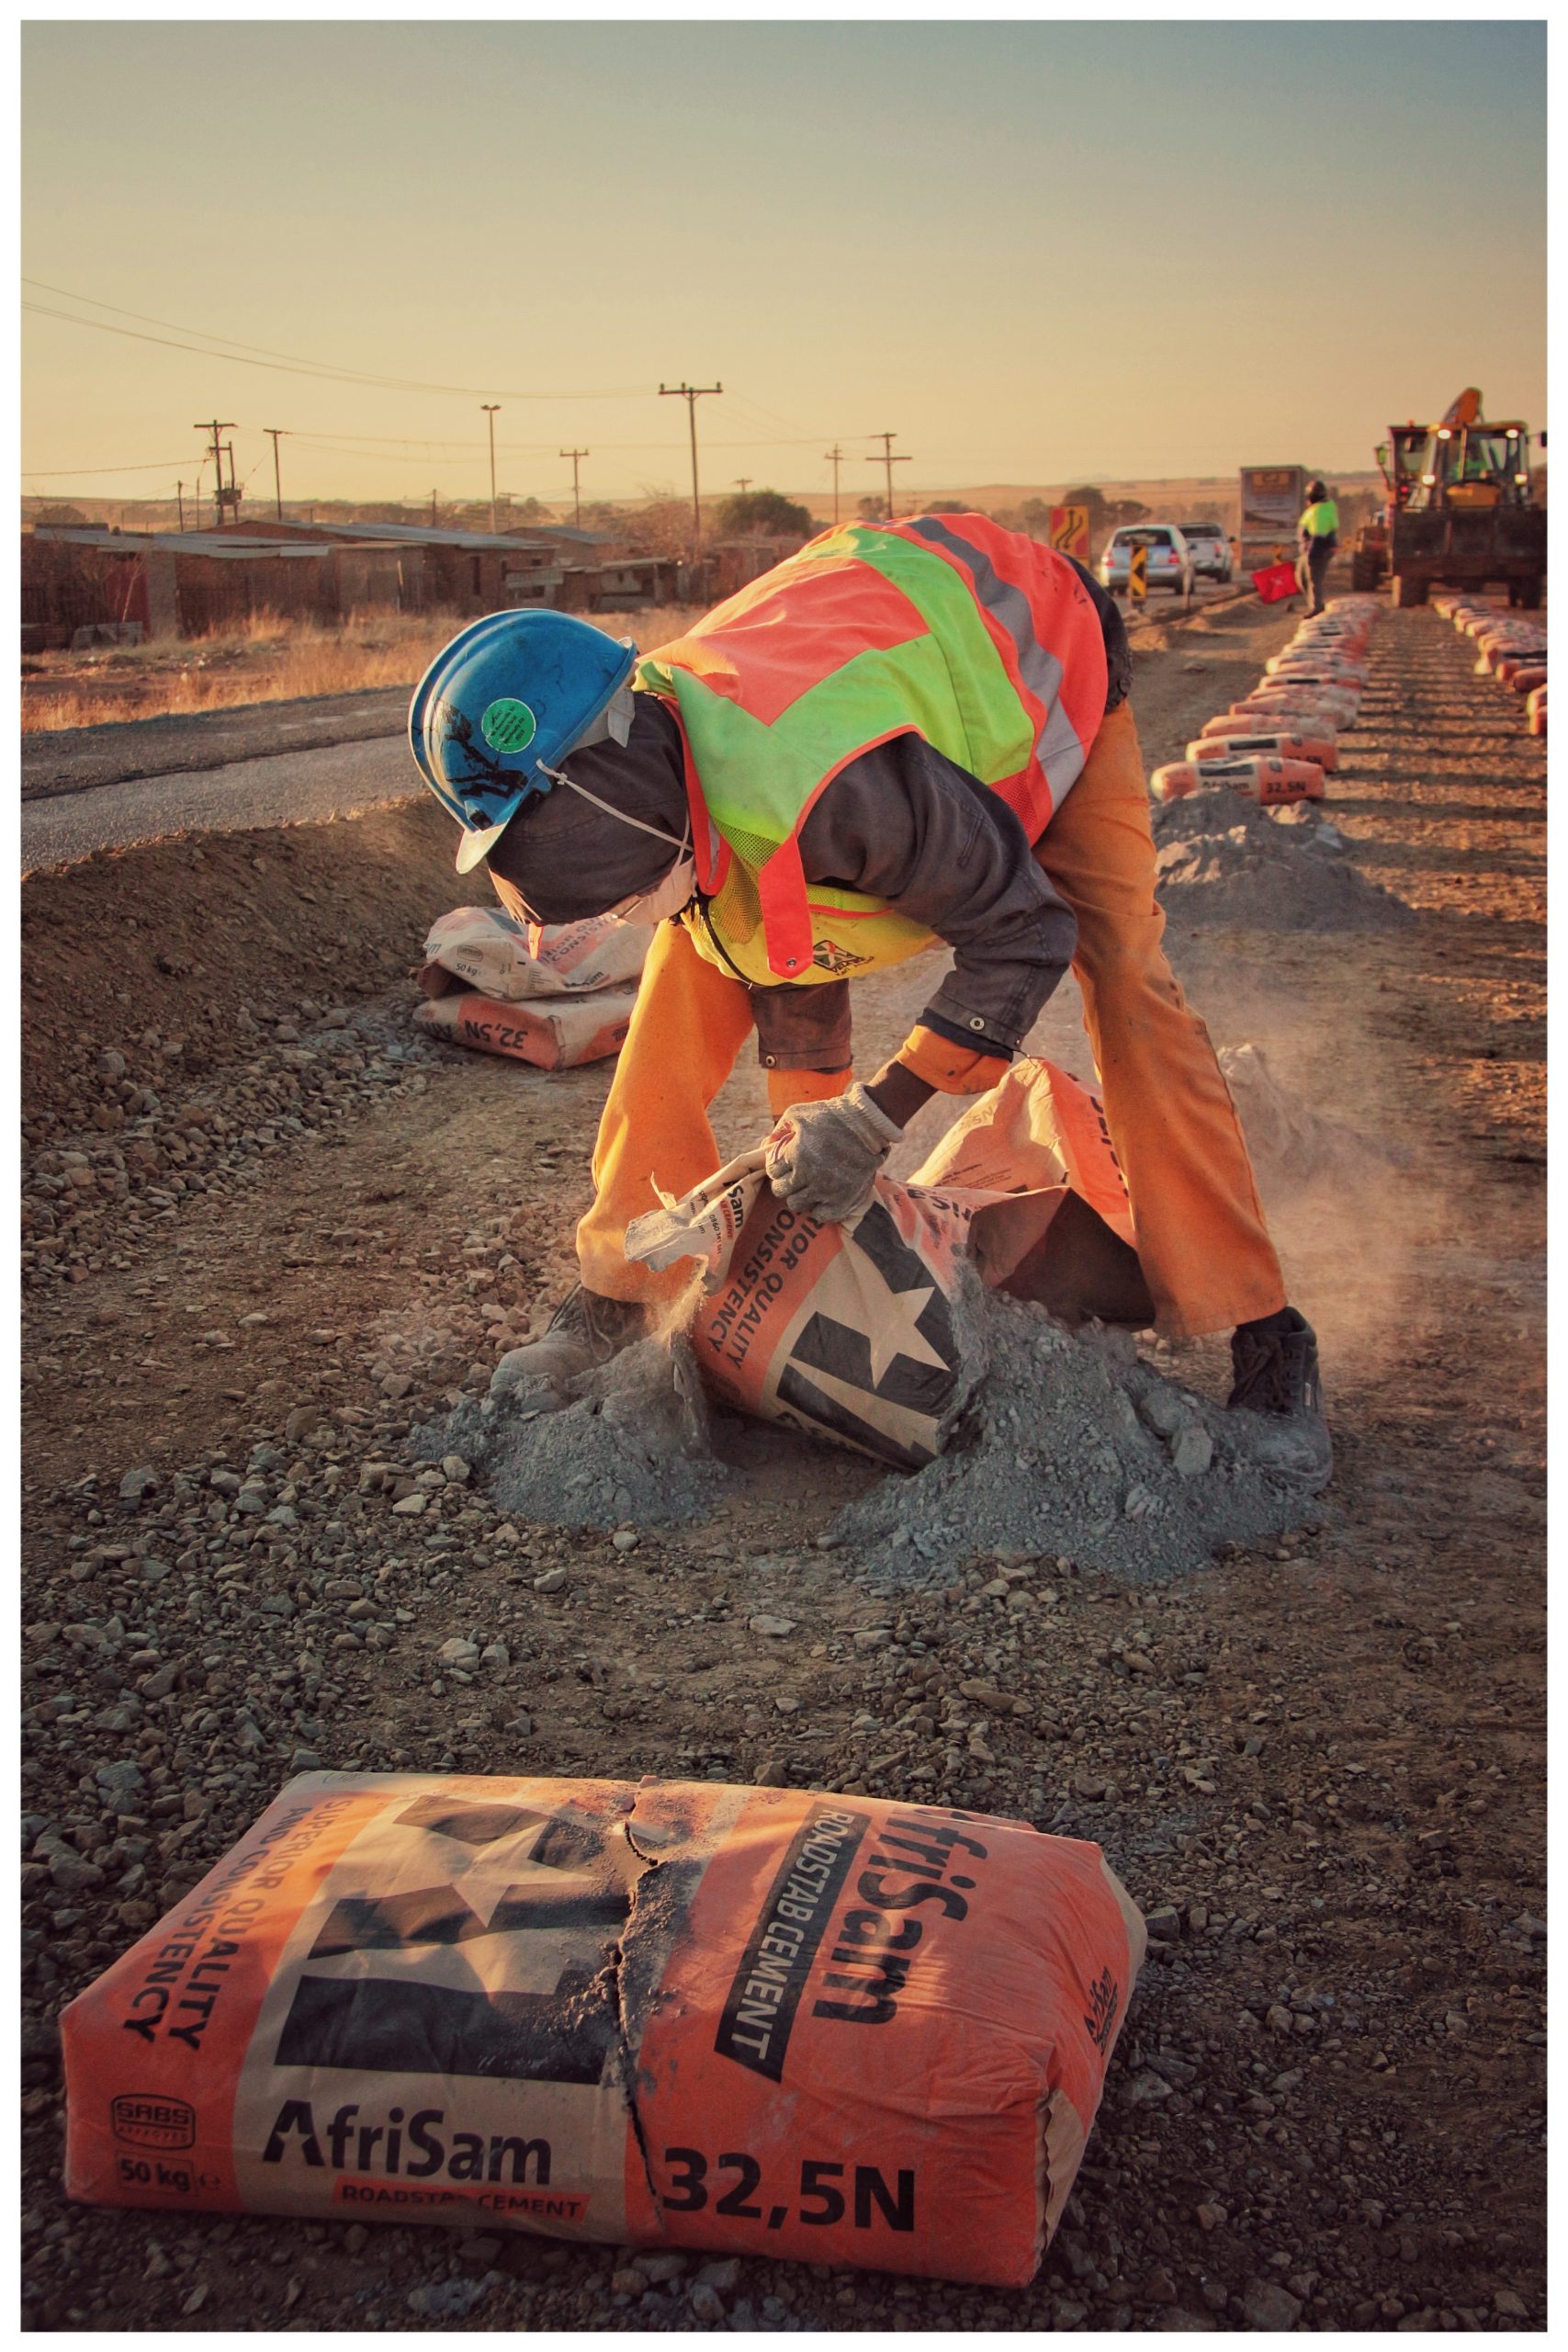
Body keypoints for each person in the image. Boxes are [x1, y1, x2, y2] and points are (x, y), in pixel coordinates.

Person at [410, 513, 1328, 1479]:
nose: (627, 910)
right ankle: (615, 1293)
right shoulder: (657, 747)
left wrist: (875, 1116)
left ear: (609, 790)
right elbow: (776, 937)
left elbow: (1023, 930)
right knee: (690, 971)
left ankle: (1268, 1336)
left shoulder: (830, 779)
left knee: (1129, 984)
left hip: (1042, 676)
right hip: (873, 671)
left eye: (621, 887)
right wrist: (816, 1168)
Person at [1296, 479, 1339, 616]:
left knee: (1314, 579)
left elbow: (1318, 535)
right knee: (1302, 577)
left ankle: (1317, 607)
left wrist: (1312, 554)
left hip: (1316, 549)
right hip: (1310, 549)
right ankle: (1315, 604)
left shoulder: (1318, 511)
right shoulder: (1319, 509)